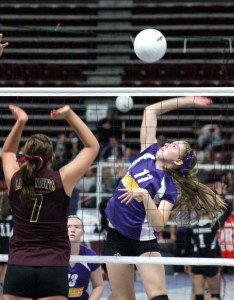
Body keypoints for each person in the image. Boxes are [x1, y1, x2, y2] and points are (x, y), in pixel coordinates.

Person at [103, 96, 227, 300]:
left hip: (143, 241)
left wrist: (144, 196)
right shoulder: (148, 152)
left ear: (177, 161)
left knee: (159, 297)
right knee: (122, 298)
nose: (167, 143)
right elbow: (150, 111)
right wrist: (189, 100)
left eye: (173, 146)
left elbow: (159, 224)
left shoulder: (169, 188)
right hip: (115, 238)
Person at [2, 105, 99, 300]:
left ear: (25, 156)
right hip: (53, 267)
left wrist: (21, 121)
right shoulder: (62, 179)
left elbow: (7, 151)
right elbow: (92, 146)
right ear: (52, 158)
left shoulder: (14, 178)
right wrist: (69, 115)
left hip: (19, 265)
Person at [186, 178, 232, 300]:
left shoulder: (192, 224)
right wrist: (221, 193)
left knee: (199, 296)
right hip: (211, 262)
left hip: (196, 262)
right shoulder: (214, 224)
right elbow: (228, 209)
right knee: (215, 296)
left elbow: (186, 244)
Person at [67, 215, 104, 300]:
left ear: (83, 233)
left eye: (77, 227)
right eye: (68, 227)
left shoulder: (90, 256)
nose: (72, 230)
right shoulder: (54, 256)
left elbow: (98, 286)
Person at [0, 191, 12, 298]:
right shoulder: (13, 214)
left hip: (4, 248)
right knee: (4, 275)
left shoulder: (11, 214)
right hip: (8, 248)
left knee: (3, 275)